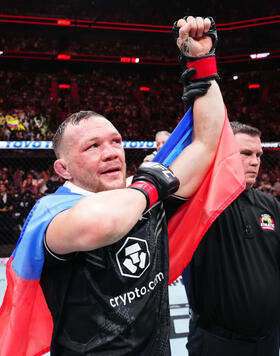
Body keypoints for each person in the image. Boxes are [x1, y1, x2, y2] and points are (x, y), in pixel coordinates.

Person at [4, 16, 226, 355]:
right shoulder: (51, 215)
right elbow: (102, 222)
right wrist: (152, 181)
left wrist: (202, 63)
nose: (110, 153)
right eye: (92, 147)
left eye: (115, 141)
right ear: (63, 169)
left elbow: (206, 144)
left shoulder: (140, 190)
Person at [185, 121, 280, 356]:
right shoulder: (200, 202)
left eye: (258, 154)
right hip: (219, 342)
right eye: (246, 153)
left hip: (268, 340)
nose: (255, 161)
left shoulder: (269, 204)